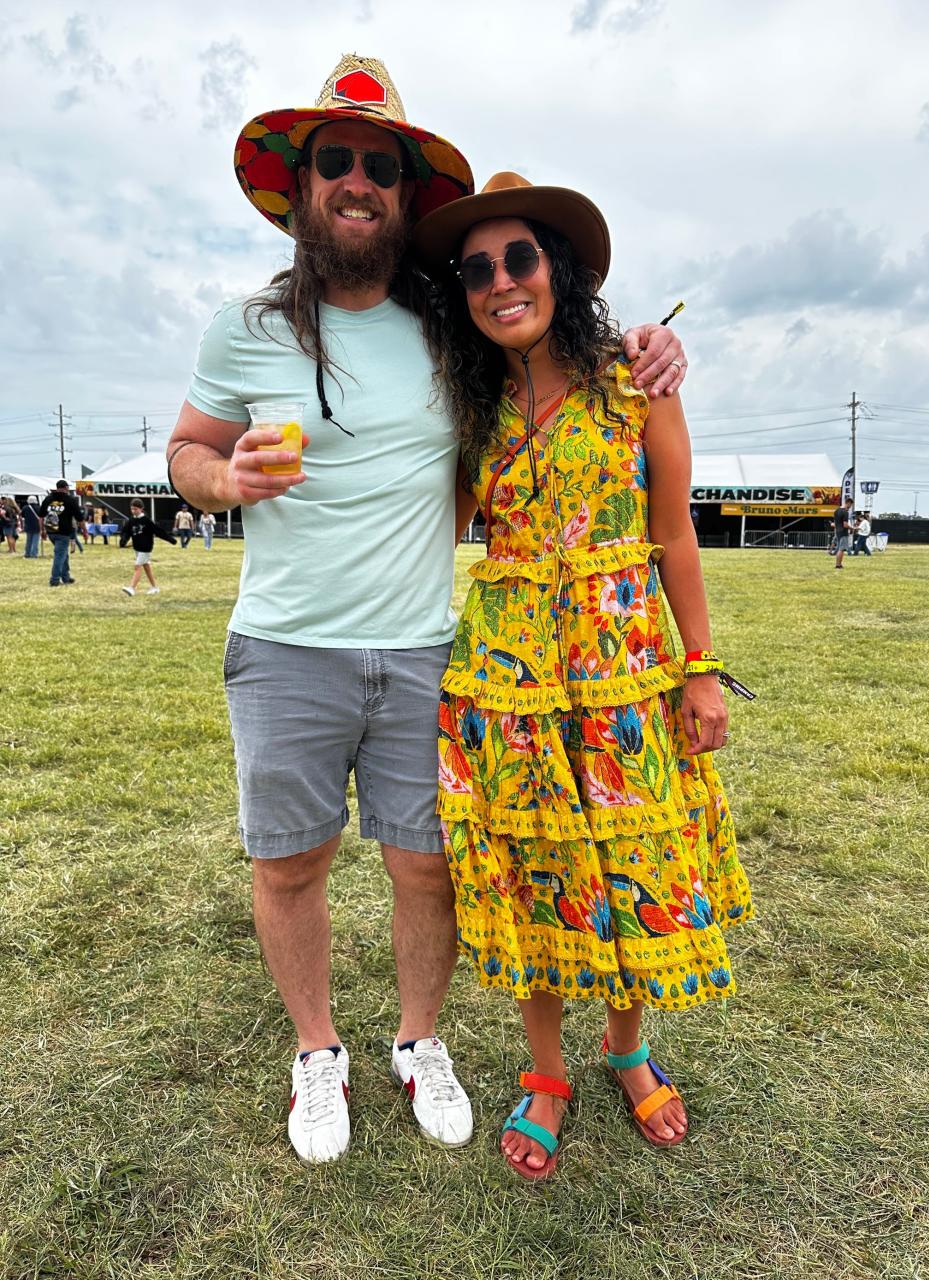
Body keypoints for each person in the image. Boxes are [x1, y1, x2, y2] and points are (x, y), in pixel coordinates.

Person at [165, 53, 689, 1166]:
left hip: (421, 650)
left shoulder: (447, 330)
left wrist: (647, 340)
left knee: (426, 866)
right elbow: (184, 452)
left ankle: (418, 1038)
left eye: (380, 167)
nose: (358, 182)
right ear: (303, 189)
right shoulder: (242, 326)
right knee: (290, 864)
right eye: (336, 163)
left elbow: (551, 347)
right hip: (284, 644)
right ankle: (319, 1050)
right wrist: (224, 481)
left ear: (404, 198)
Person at [412, 172, 752, 1180]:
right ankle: (549, 1071)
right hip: (509, 678)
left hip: (621, 669)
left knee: (629, 860)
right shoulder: (465, 401)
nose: (500, 282)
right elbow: (437, 520)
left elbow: (674, 531)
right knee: (539, 867)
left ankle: (628, 1048)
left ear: (558, 270)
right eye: (477, 269)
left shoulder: (632, 377)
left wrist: (700, 671)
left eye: (519, 259)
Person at [119, 499, 177, 594]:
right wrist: (123, 541)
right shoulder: (131, 520)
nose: (133, 511)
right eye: (132, 509)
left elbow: (158, 531)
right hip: (137, 548)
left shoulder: (147, 521)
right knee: (146, 566)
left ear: (141, 509)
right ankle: (154, 587)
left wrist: (171, 539)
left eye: (136, 509)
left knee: (137, 566)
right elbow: (126, 532)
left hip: (145, 548)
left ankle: (132, 588)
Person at [39, 481, 84, 587]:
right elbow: (79, 518)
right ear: (66, 488)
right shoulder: (70, 500)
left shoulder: (48, 499)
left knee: (63, 554)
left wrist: (42, 530)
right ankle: (54, 580)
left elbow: (41, 516)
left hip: (51, 531)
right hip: (63, 532)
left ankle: (66, 577)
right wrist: (85, 531)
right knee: (60, 555)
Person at [833, 498, 854, 569]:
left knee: (839, 548)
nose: (850, 507)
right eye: (851, 505)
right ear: (848, 503)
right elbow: (845, 525)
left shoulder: (836, 511)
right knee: (841, 549)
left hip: (838, 532)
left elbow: (835, 523)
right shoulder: (845, 512)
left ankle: (839, 564)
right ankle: (838, 565)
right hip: (843, 532)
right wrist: (852, 528)